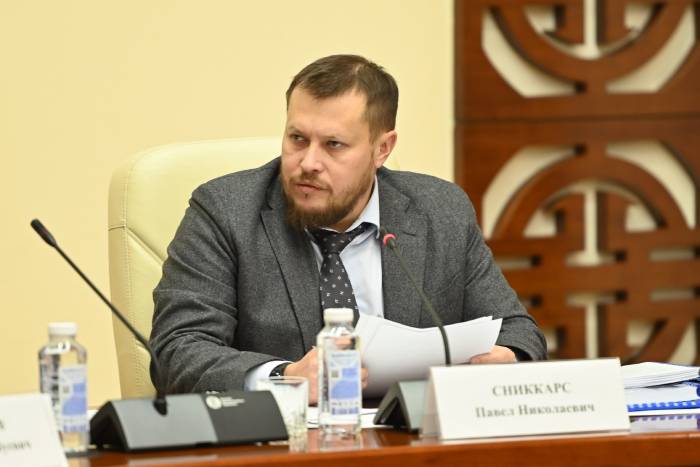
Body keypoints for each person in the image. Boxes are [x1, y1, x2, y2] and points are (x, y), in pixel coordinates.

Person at [150, 54, 546, 403]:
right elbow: (177, 351)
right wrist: (286, 377)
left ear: (382, 149)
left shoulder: (440, 211)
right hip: (282, 442)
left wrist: (506, 358)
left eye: (333, 145)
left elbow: (518, 331)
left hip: (409, 441)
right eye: (297, 139)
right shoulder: (225, 212)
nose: (308, 163)